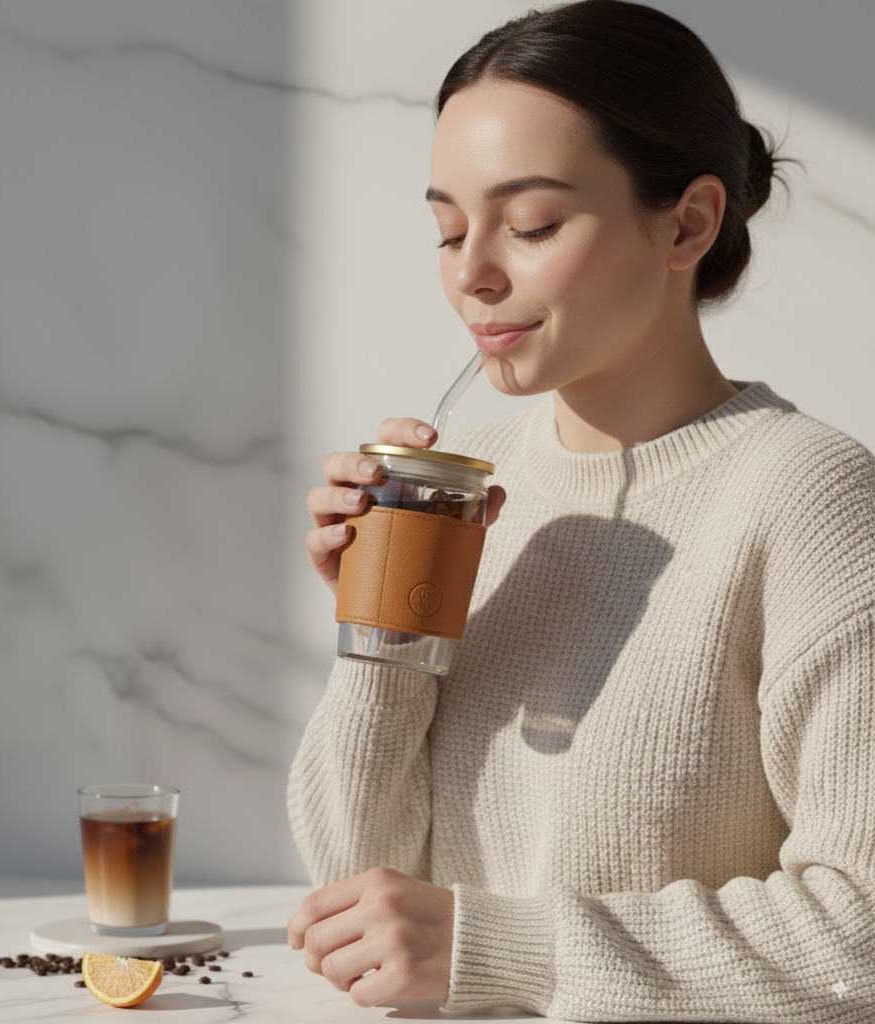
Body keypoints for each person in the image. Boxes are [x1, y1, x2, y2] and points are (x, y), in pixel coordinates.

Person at [286, 2, 875, 1019]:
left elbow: (860, 934)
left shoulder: (811, 500)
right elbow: (362, 892)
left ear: (687, 223)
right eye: (447, 229)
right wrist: (384, 633)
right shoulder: (475, 488)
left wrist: (507, 950)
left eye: (530, 225)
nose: (471, 273)